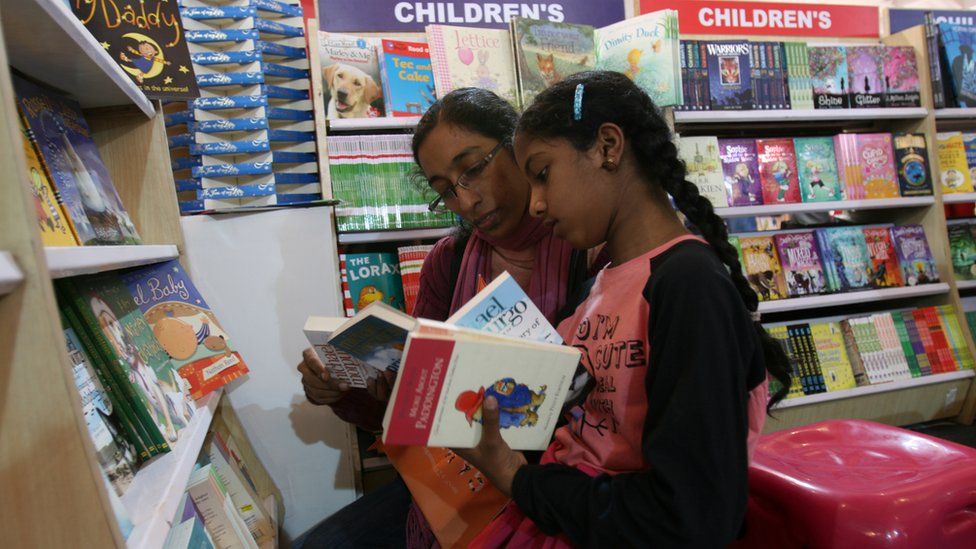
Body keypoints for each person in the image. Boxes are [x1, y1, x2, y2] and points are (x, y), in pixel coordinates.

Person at [453, 71, 793, 547]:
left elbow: (690, 515)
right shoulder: (604, 279)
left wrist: (517, 477)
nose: (535, 204)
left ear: (608, 147)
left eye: (543, 173)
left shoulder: (688, 285)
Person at [296, 88, 599, 548]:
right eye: (444, 191)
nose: (467, 199)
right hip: (461, 476)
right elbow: (412, 407)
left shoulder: (586, 244)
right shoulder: (449, 261)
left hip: (559, 483)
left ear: (518, 146)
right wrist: (343, 387)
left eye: (474, 168)